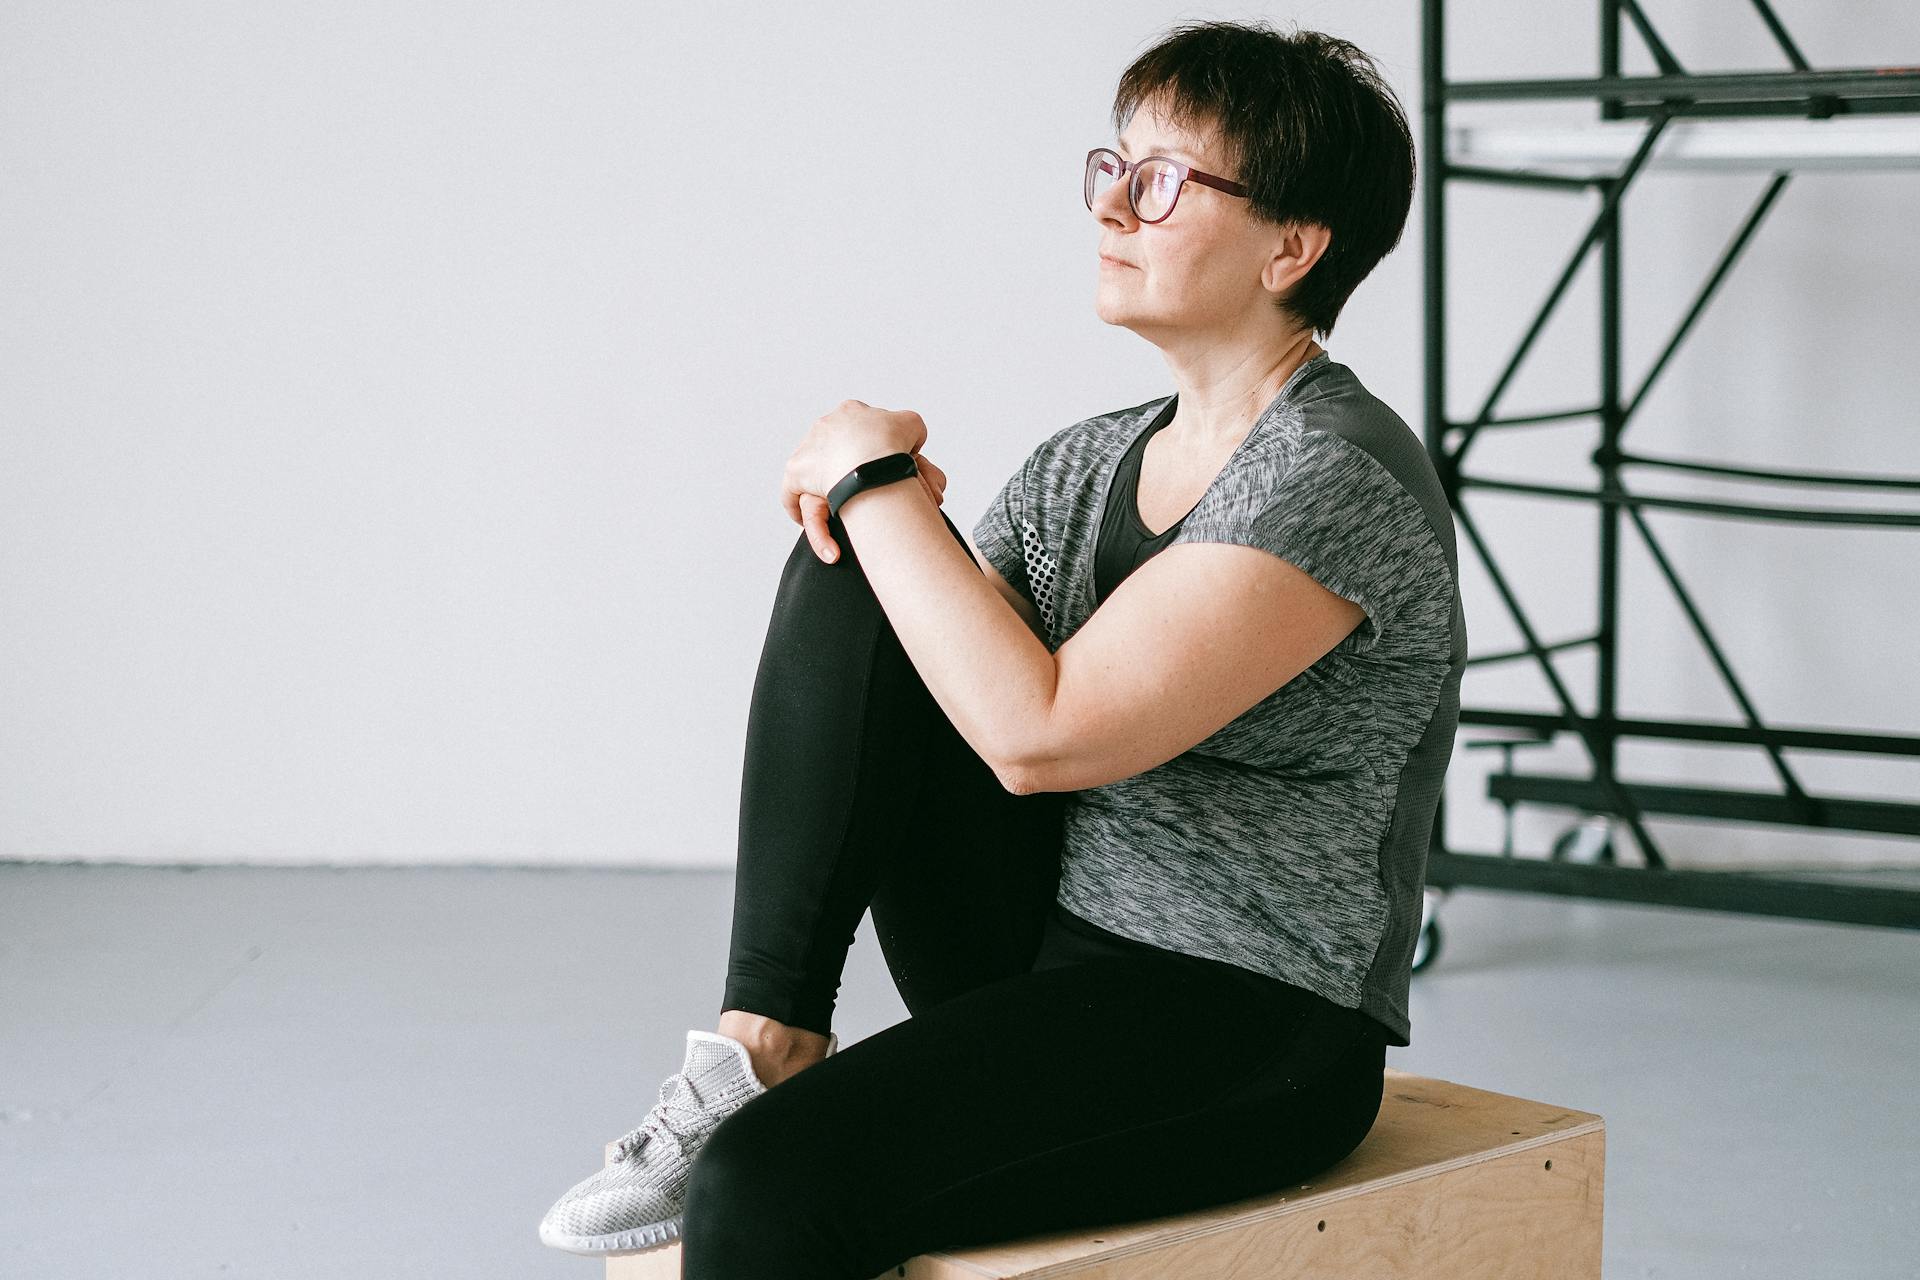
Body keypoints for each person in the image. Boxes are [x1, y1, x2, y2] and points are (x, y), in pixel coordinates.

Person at [538, 17, 1465, 1277]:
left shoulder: (1332, 475)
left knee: (769, 1190)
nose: (1114, 207)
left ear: (1292, 248)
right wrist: (883, 505)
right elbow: (919, 680)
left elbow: (1042, 736)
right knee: (868, 566)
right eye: (1113, 167)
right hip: (1038, 947)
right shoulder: (1087, 459)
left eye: (1165, 181)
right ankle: (761, 1042)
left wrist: (872, 474)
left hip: (1250, 1019)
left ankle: (759, 1114)